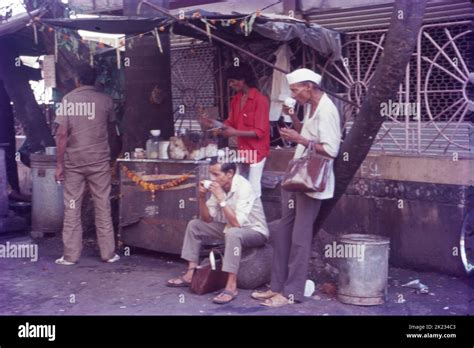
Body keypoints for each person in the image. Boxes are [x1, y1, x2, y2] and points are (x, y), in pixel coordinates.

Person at [252, 68, 342, 307]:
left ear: (309, 86)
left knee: (300, 239)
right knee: (284, 233)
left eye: (294, 89)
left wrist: (299, 139)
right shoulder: (313, 107)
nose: (293, 94)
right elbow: (308, 134)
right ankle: (277, 287)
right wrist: (293, 118)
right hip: (297, 178)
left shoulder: (328, 110)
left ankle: (292, 293)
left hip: (311, 182)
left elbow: (331, 150)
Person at [167, 159, 269, 304]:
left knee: (233, 233)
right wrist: (202, 197)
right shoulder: (219, 187)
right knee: (195, 225)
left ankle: (231, 286)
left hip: (255, 231)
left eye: (216, 174)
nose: (212, 179)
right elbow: (207, 219)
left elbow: (237, 223)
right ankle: (191, 272)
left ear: (230, 173)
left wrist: (221, 198)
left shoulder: (244, 187)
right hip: (230, 228)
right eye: (211, 174)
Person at [54, 64, 120, 265]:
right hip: (99, 161)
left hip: (74, 162)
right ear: (95, 80)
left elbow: (62, 134)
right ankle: (108, 254)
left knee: (72, 207)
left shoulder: (68, 100)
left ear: (77, 80)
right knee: (102, 205)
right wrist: (111, 156)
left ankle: (70, 256)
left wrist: (59, 164)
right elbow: (112, 133)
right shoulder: (106, 100)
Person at [200, 63, 270, 198]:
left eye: (232, 81)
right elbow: (230, 123)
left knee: (254, 190)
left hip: (257, 151)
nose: (230, 85)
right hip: (242, 150)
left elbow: (259, 132)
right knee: (239, 187)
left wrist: (234, 132)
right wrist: (213, 124)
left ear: (242, 80)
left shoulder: (260, 100)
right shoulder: (236, 100)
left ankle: (255, 218)